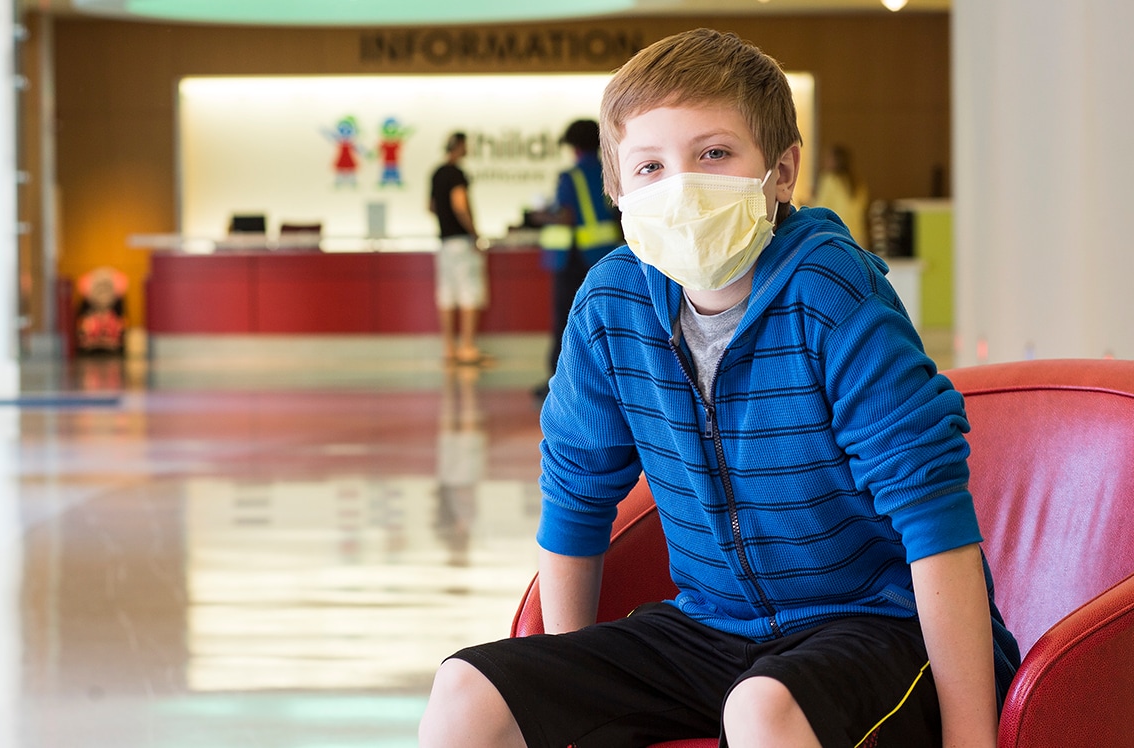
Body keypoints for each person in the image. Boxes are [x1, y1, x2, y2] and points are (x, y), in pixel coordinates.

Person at [419, 29, 1019, 748]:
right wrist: (570, 691)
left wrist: (971, 736)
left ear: (782, 171)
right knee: (465, 691)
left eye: (713, 154)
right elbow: (577, 496)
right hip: (709, 628)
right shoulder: (611, 306)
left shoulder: (832, 292)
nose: (680, 188)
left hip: (879, 624)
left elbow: (932, 513)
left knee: (761, 710)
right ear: (618, 192)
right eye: (649, 167)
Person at [534, 119, 623, 398]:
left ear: (572, 146)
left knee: (567, 319)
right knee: (607, 319)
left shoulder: (570, 177)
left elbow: (566, 215)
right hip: (608, 255)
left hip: (573, 260)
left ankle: (560, 383)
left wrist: (538, 216)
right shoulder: (611, 171)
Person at [429, 132, 486, 365]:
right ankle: (467, 347)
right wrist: (474, 233)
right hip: (462, 243)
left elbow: (431, 206)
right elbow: (460, 204)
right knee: (469, 293)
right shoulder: (457, 174)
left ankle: (449, 349)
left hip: (444, 243)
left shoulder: (436, 173)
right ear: (459, 146)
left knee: (446, 295)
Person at [812, 143, 870, 247]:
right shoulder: (858, 183)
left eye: (828, 157)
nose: (825, 161)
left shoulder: (829, 179)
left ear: (836, 160)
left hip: (837, 234)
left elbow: (820, 209)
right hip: (858, 237)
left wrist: (807, 204)